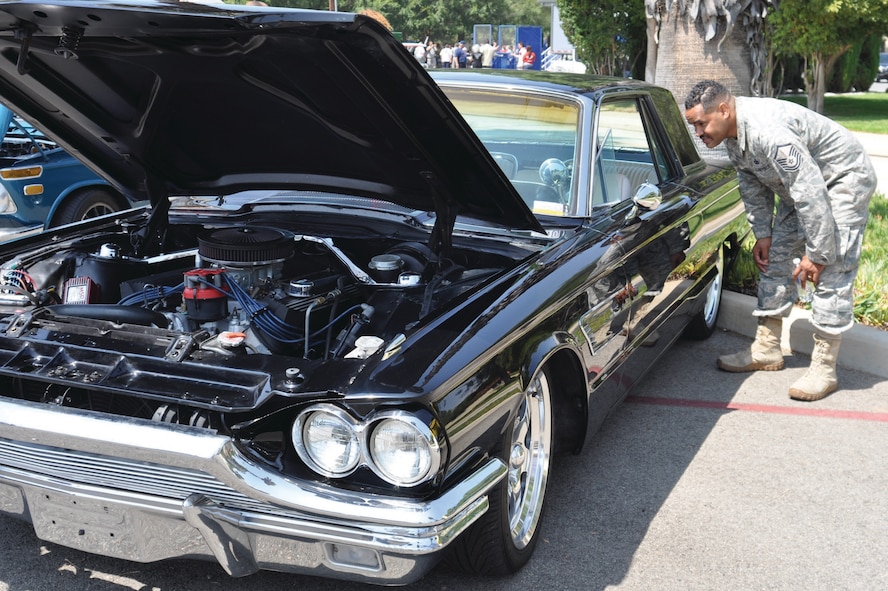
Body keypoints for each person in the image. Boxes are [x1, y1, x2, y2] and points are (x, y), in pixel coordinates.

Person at [683, 80, 877, 401]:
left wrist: (816, 254)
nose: (698, 133)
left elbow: (812, 192)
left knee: (831, 266)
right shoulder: (732, 135)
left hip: (841, 180)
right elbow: (752, 183)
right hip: (799, 189)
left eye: (701, 124)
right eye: (694, 126)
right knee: (775, 259)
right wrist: (763, 233)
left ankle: (824, 369)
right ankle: (767, 349)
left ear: (724, 110)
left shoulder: (769, 134)